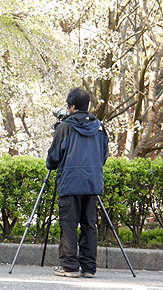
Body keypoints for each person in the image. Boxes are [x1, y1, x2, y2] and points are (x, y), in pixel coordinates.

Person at [46, 87, 109, 278]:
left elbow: (53, 159)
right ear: (87, 105)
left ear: (72, 106)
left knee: (69, 224)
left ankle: (69, 267)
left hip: (70, 183)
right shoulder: (99, 127)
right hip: (92, 183)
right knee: (89, 225)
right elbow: (103, 155)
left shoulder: (65, 127)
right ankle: (89, 268)